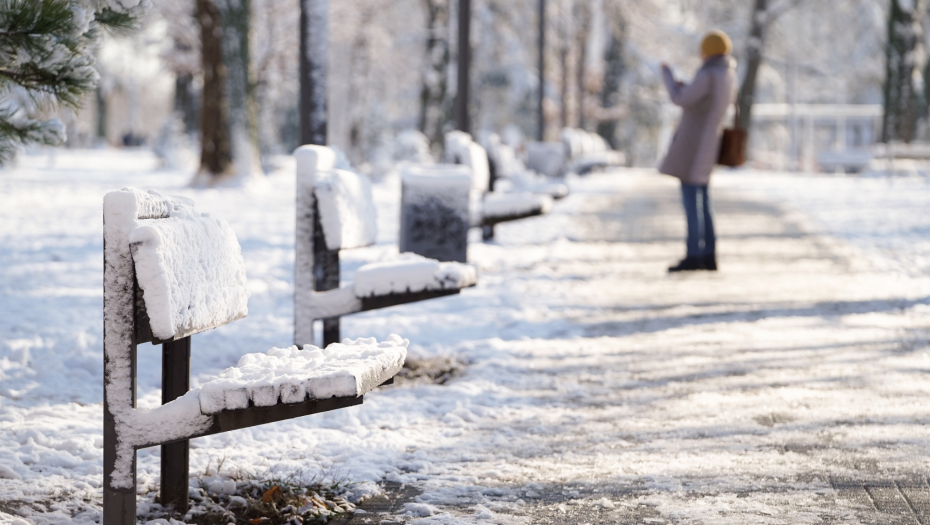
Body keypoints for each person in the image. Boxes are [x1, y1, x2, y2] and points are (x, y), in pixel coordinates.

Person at [659, 30, 737, 272]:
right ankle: (709, 253)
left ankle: (694, 255)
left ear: (708, 52)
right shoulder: (728, 74)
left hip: (695, 146)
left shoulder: (709, 73)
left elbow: (681, 99)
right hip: (710, 144)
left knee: (692, 199)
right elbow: (699, 98)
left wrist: (668, 77)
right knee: (703, 199)